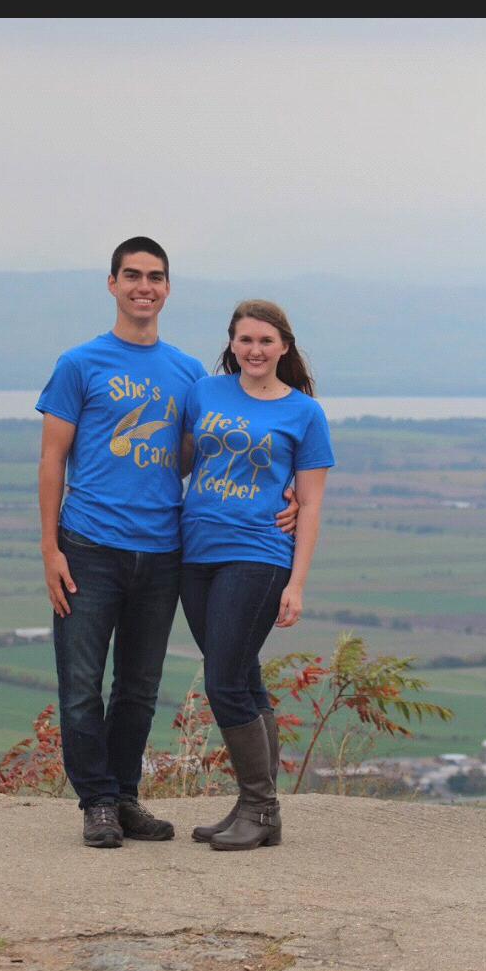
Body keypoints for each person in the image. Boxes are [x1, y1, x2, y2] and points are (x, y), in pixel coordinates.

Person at [36, 240, 298, 848]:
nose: (143, 286)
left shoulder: (188, 374)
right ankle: (97, 803)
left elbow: (222, 444)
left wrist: (286, 492)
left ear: (168, 288)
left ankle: (125, 799)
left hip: (163, 551)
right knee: (81, 687)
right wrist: (50, 549)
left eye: (154, 277)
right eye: (132, 275)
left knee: (138, 689)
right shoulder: (79, 364)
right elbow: (52, 461)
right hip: (89, 546)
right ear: (112, 284)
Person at [180, 299, 335, 851]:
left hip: (259, 555)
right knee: (242, 675)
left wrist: (297, 583)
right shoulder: (205, 393)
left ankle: (261, 808)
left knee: (223, 680)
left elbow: (310, 505)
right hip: (196, 554)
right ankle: (257, 808)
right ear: (232, 344)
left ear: (284, 346)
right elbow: (181, 460)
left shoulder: (304, 413)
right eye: (245, 339)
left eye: (266, 341)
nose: (255, 350)